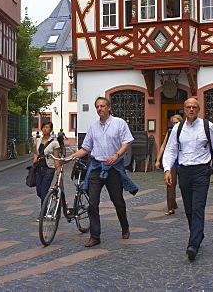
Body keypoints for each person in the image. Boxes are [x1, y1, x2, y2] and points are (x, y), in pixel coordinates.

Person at [161, 97, 213, 260]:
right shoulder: (178, 128)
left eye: (194, 107)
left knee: (197, 206)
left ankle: (193, 244)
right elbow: (170, 150)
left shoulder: (207, 126)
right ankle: (197, 234)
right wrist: (167, 169)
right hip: (184, 171)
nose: (191, 110)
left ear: (199, 109)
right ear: (184, 109)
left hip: (202, 171)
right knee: (188, 208)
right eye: (188, 107)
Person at [61, 96, 137, 247]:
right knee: (93, 203)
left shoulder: (119, 123)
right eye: (97, 106)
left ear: (109, 107)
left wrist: (116, 155)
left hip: (113, 168)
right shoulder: (93, 127)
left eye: (102, 106)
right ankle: (95, 236)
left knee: (118, 201)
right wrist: (70, 158)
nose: (100, 109)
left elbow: (126, 143)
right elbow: (86, 148)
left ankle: (125, 226)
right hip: (96, 167)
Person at [156, 114, 184, 215]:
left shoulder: (184, 131)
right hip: (172, 162)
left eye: (177, 123)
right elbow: (163, 146)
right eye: (173, 123)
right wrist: (158, 160)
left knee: (184, 184)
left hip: (183, 161)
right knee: (170, 184)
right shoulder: (170, 132)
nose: (175, 125)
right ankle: (170, 207)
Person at [32, 122, 64, 202]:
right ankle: (46, 206)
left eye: (47, 127)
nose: (45, 129)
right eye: (43, 127)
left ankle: (44, 212)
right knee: (39, 191)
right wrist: (35, 158)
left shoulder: (54, 143)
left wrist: (58, 170)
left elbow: (56, 157)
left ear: (51, 129)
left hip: (49, 168)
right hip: (39, 168)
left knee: (43, 192)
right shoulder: (38, 141)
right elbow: (35, 152)